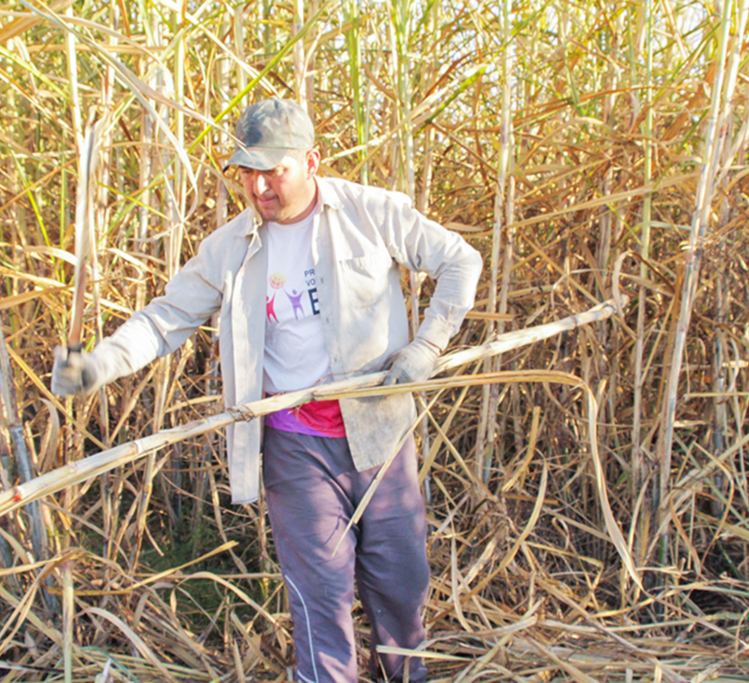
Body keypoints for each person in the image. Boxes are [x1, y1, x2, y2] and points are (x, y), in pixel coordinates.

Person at [52, 98, 482, 683]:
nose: (258, 186)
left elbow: (460, 261)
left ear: (311, 160)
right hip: (294, 446)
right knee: (320, 602)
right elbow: (165, 318)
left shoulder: (369, 213)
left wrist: (426, 347)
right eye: (246, 172)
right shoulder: (231, 248)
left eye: (272, 170)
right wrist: (97, 363)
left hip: (378, 434)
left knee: (400, 588)